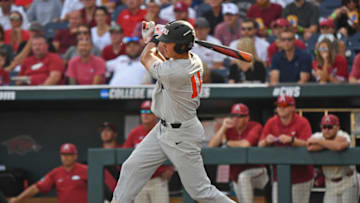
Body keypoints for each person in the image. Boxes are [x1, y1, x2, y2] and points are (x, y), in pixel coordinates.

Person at [111, 20, 236, 203]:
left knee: (200, 191)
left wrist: (152, 39)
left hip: (181, 135)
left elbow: (146, 58)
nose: (163, 45)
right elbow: (163, 62)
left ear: (181, 46)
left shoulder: (177, 72)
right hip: (163, 128)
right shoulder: (192, 60)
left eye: (167, 43)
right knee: (132, 166)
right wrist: (161, 37)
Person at [8, 143, 117, 203]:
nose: (66, 157)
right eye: (64, 155)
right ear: (60, 156)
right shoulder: (56, 173)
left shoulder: (86, 169)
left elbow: (104, 187)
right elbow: (37, 187)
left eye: (69, 154)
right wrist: (17, 199)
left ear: (75, 156)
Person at [208, 103, 269, 203]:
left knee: (244, 177)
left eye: (240, 116)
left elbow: (245, 144)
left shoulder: (255, 126)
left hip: (258, 172)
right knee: (242, 194)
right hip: (236, 175)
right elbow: (211, 145)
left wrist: (226, 142)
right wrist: (223, 127)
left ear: (247, 117)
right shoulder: (229, 129)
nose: (236, 119)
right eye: (233, 116)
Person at [258, 95, 314, 203]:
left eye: (285, 106)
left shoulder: (302, 122)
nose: (281, 108)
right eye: (279, 105)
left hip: (301, 176)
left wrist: (292, 140)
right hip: (279, 176)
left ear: (293, 107)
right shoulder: (272, 122)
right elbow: (260, 144)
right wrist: (266, 141)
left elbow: (309, 144)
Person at [122, 100, 174, 203]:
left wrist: (171, 168)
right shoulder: (135, 133)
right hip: (140, 181)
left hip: (158, 180)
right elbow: (124, 156)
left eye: (149, 112)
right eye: (143, 112)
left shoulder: (164, 131)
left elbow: (175, 151)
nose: (145, 115)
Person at [307, 114, 359, 203]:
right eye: (324, 127)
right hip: (330, 183)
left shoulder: (343, 134)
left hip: (348, 180)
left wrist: (320, 142)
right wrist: (331, 144)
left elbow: (339, 146)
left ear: (337, 127)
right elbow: (310, 146)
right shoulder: (318, 135)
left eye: (330, 127)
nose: (327, 130)